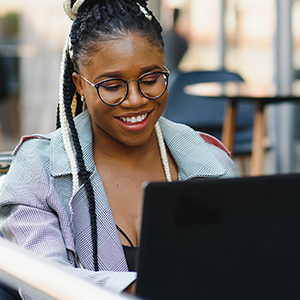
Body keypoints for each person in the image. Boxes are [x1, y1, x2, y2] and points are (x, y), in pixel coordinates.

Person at [0, 0, 240, 299]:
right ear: (80, 86)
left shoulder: (211, 161)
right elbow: (45, 285)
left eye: (151, 79)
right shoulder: (38, 170)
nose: (136, 100)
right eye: (112, 86)